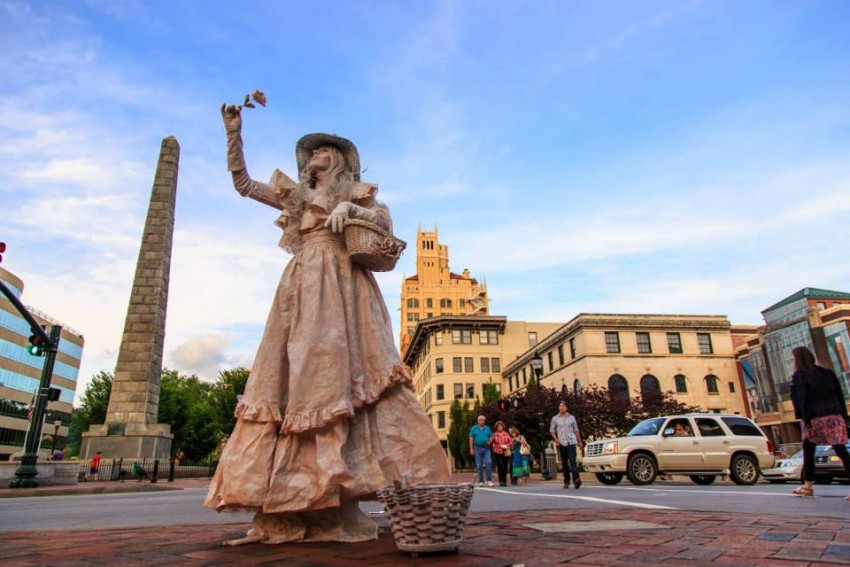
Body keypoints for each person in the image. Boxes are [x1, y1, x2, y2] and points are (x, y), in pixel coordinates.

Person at [204, 102, 450, 545]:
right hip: (303, 284)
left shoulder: (357, 194)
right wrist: (233, 133)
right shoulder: (296, 197)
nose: (315, 152)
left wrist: (351, 213)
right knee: (299, 378)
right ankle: (293, 507)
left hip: (345, 284)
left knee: (347, 373)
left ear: (335, 159)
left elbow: (384, 223)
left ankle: (340, 502)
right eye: (312, 150)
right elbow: (243, 184)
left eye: (323, 149)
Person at [789, 346, 850, 499]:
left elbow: (801, 399)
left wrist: (804, 418)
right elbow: (839, 394)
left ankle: (808, 485)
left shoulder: (800, 376)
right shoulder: (827, 373)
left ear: (797, 360)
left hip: (814, 417)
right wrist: (844, 415)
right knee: (841, 450)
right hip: (834, 416)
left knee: (808, 450)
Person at [550, 401, 583, 489]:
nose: (561, 408)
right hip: (562, 443)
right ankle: (566, 481)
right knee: (564, 464)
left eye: (563, 406)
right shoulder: (555, 418)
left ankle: (576, 480)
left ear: (566, 408)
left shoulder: (572, 418)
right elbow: (552, 430)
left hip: (571, 442)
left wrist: (580, 442)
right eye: (560, 406)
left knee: (573, 462)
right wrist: (556, 440)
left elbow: (576, 430)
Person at [469, 415, 494, 486]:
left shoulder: (487, 428)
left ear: (484, 421)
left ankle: (489, 480)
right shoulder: (474, 428)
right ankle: (480, 481)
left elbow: (491, 436)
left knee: (488, 462)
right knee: (479, 465)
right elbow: (471, 439)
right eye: (480, 420)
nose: (482, 421)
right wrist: (471, 449)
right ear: (478, 421)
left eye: (483, 420)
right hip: (477, 448)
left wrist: (490, 441)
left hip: (486, 448)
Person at [491, 421, 512, 486]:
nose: (500, 427)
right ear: (496, 427)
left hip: (505, 452)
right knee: (500, 466)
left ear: (503, 427)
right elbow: (491, 441)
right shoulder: (494, 434)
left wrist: (507, 445)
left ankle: (504, 481)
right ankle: (500, 481)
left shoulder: (506, 434)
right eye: (498, 426)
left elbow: (510, 442)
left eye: (501, 426)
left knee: (505, 467)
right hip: (497, 452)